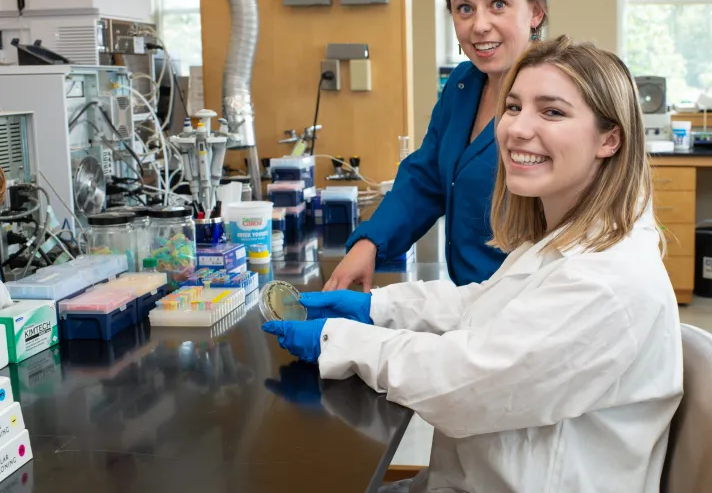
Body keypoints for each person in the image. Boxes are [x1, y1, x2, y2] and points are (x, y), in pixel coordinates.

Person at [262, 36, 684, 492]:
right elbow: (484, 305)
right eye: (514, 107)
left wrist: (340, 340)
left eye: (552, 111)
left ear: (610, 138)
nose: (517, 129)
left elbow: (467, 383)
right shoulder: (568, 236)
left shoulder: (606, 281)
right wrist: (376, 308)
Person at [324, 0, 548, 292]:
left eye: (498, 4)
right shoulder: (463, 85)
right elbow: (426, 176)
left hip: (530, 304)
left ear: (535, 11)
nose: (480, 25)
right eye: (464, 9)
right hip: (469, 301)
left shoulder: (558, 98)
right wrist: (370, 243)